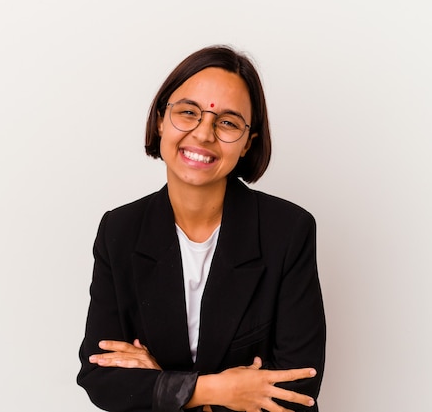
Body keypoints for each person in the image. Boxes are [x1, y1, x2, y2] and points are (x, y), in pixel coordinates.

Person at [77, 45, 326, 412]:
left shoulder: (288, 232)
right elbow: (100, 377)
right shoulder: (120, 230)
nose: (204, 133)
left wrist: (162, 383)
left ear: (247, 143)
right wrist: (216, 390)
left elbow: (297, 390)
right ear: (162, 120)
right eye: (188, 113)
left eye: (227, 122)